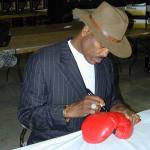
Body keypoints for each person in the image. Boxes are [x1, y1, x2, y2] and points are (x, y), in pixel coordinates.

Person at [17, 1, 140, 145]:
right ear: (86, 30)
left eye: (110, 48)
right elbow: (26, 115)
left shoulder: (106, 64)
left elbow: (111, 99)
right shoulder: (43, 61)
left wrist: (120, 108)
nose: (106, 54)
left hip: (95, 139)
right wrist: (67, 111)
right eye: (102, 44)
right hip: (54, 142)